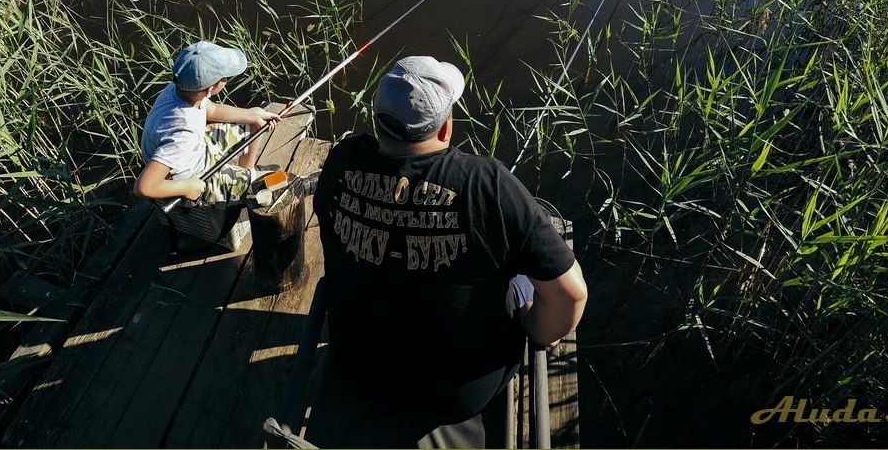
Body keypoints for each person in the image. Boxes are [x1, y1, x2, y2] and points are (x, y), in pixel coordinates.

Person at [309, 56, 588, 448]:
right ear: (445, 128)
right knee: (523, 277)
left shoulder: (342, 160)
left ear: (378, 120)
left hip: (357, 371)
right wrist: (539, 330)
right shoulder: (486, 183)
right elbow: (571, 294)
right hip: (454, 398)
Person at [133, 40, 279, 211]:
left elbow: (212, 109)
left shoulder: (179, 87)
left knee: (255, 122)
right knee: (269, 185)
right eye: (224, 77)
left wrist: (251, 114)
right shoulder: (182, 134)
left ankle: (246, 171)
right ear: (210, 89)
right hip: (190, 177)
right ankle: (248, 183)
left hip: (195, 153)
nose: (226, 79)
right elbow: (143, 187)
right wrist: (188, 187)